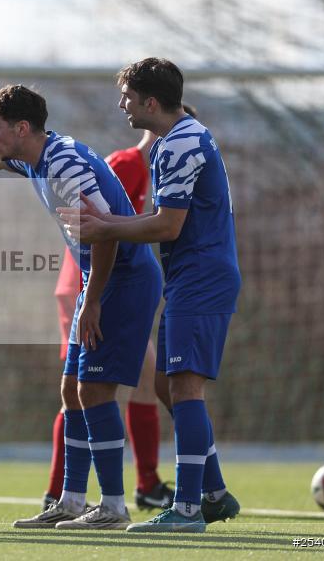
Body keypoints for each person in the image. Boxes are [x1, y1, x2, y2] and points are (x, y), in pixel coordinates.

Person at [58, 58, 241, 533]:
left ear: (151, 102)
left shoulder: (179, 143)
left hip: (201, 277)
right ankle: (215, 493)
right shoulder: (180, 137)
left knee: (184, 388)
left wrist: (105, 225)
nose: (122, 104)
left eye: (127, 97)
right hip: (189, 275)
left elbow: (168, 224)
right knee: (165, 386)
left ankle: (185, 510)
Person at [0, 85, 161, 530]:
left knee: (95, 391)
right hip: (98, 281)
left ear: (22, 128)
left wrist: (93, 298)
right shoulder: (35, 153)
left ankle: (114, 507)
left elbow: (105, 234)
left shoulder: (63, 166)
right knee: (72, 389)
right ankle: (72, 501)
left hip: (123, 279)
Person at [43, 105, 198, 513]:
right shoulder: (128, 164)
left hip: (112, 285)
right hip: (86, 284)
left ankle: (138, 484)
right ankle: (64, 490)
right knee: (81, 387)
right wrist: (88, 297)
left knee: (134, 382)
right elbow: (101, 231)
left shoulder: (161, 174)